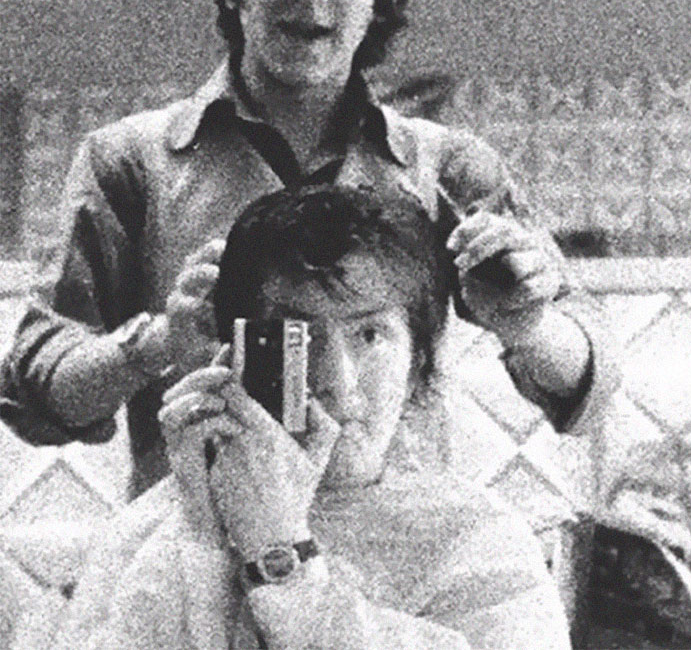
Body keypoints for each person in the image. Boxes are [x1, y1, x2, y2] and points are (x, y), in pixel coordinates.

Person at [0, 0, 593, 499]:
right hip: (198, 567)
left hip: (399, 576)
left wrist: (530, 324)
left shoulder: (449, 169)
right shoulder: (127, 164)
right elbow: (32, 393)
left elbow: (590, 390)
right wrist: (162, 339)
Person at [52, 185, 572, 649]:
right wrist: (202, 534)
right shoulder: (153, 529)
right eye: (300, 339)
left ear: (416, 363)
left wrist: (283, 560)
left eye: (370, 336)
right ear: (240, 353)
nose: (337, 381)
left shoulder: (477, 539)